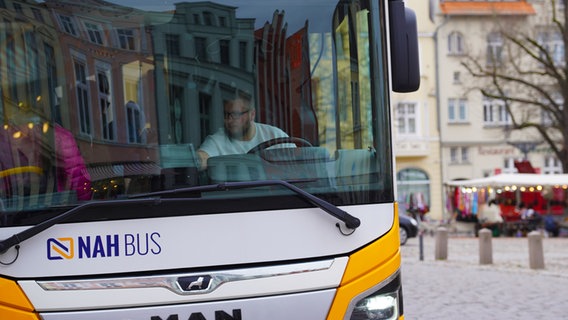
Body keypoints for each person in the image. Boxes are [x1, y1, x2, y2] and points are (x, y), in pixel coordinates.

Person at [197, 94, 290, 170]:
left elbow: (297, 162)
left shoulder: (275, 136)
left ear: (252, 115)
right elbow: (202, 157)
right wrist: (196, 159)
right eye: (226, 115)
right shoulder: (217, 141)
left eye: (236, 114)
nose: (229, 120)